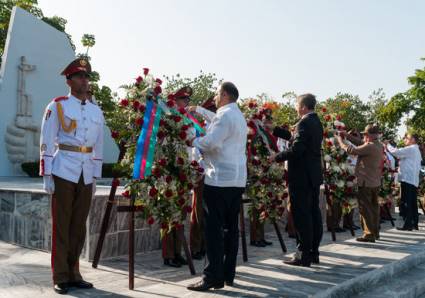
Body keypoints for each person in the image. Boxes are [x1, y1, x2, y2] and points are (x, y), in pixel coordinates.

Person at [39, 58, 104, 294]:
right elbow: (46, 140)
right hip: (64, 169)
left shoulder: (96, 110)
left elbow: (99, 145)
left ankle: (75, 272)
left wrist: (95, 176)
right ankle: (60, 275)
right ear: (69, 80)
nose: (85, 80)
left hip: (86, 173)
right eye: (80, 76)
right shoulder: (57, 106)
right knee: (62, 225)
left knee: (78, 226)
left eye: (87, 77)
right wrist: (46, 174)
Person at [187, 82, 247, 291]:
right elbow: (216, 121)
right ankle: (228, 274)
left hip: (220, 179)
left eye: (216, 94)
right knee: (231, 229)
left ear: (224, 95)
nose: (214, 98)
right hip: (236, 180)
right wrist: (200, 110)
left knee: (213, 230)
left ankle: (212, 276)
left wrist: (193, 141)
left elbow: (211, 142)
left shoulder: (225, 115)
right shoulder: (236, 115)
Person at [271, 93, 324, 267]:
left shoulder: (304, 122)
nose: (295, 107)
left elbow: (297, 149)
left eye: (296, 104)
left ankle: (303, 255)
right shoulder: (315, 121)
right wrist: (275, 130)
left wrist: (276, 157)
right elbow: (298, 139)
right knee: (314, 214)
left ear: (302, 107)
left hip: (301, 177)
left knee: (303, 216)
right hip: (313, 176)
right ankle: (313, 252)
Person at [161, 86, 193, 267]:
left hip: (183, 168)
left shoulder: (187, 119)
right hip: (169, 170)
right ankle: (168, 254)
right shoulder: (168, 118)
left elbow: (192, 138)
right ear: (175, 101)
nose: (186, 104)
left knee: (179, 212)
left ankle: (178, 251)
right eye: (184, 100)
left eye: (187, 101)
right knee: (168, 212)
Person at [337, 125, 383, 243]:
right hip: (374, 182)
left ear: (369, 135)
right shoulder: (378, 144)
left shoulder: (370, 146)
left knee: (365, 208)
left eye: (365, 134)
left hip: (366, 182)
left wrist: (341, 141)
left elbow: (353, 150)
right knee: (373, 208)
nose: (364, 136)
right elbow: (361, 143)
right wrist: (348, 136)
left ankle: (369, 234)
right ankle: (375, 232)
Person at [189, 96, 216, 260]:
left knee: (210, 214)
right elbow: (195, 150)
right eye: (212, 111)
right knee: (198, 212)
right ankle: (196, 246)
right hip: (202, 174)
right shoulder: (200, 128)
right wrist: (199, 169)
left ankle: (206, 245)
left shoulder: (217, 129)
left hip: (215, 175)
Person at [385, 133, 422, 231]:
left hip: (408, 179)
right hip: (412, 180)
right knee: (412, 202)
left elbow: (396, 152)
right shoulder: (415, 149)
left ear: (413, 139)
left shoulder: (411, 148)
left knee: (407, 202)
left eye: (407, 138)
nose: (405, 139)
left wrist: (387, 145)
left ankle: (408, 224)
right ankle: (414, 223)